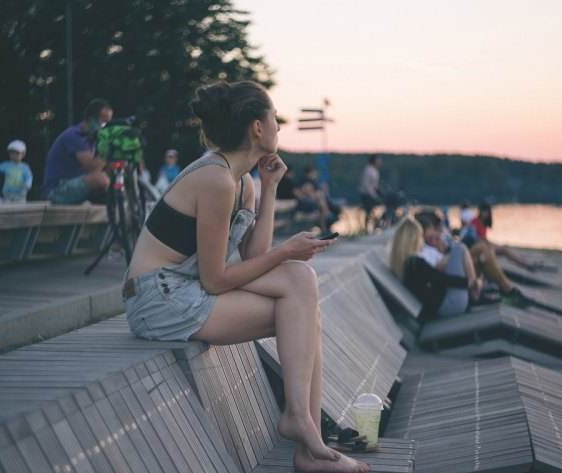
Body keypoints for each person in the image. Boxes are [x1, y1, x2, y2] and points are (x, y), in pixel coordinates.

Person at [123, 81, 369, 473]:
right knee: (301, 307)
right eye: (274, 119)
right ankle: (304, 431)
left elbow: (255, 256)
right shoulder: (215, 179)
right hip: (157, 298)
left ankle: (304, 433)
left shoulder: (244, 182)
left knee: (302, 283)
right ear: (257, 127)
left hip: (186, 287)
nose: (278, 127)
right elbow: (216, 280)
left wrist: (269, 188)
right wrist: (286, 251)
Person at [43, 98, 113, 204]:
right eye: (104, 121)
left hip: (73, 183)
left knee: (115, 171)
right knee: (101, 179)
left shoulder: (93, 138)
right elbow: (93, 168)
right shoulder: (76, 136)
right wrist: (110, 148)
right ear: (91, 119)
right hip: (57, 189)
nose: (106, 126)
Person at [467, 202, 544, 271]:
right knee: (505, 250)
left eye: (487, 212)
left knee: (506, 247)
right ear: (481, 211)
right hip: (480, 247)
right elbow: (479, 239)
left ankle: (527, 262)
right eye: (484, 211)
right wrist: (492, 245)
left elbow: (483, 239)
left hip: (484, 245)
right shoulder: (475, 222)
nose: (486, 214)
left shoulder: (481, 223)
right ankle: (528, 264)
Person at [295, 166, 338, 231]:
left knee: (321, 209)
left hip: (316, 202)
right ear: (310, 173)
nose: (315, 174)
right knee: (319, 195)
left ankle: (324, 230)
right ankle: (328, 214)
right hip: (307, 202)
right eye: (314, 173)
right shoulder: (304, 180)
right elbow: (302, 192)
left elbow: (321, 189)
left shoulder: (314, 181)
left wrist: (322, 187)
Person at [358, 154, 381, 230]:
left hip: (371, 193)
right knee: (369, 211)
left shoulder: (375, 170)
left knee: (372, 210)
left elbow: (374, 184)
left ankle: (373, 225)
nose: (379, 162)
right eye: (378, 160)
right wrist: (374, 195)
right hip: (366, 194)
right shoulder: (368, 170)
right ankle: (367, 228)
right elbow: (367, 185)